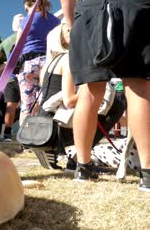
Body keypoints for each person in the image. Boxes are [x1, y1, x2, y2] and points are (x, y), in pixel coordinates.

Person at [58, 0, 150, 191]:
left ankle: (82, 167)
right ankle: (148, 173)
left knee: (88, 92)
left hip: (88, 6)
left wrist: (74, 23)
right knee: (138, 86)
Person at [36, 23, 125, 170]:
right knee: (116, 104)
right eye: (69, 30)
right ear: (61, 40)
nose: (76, 30)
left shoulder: (48, 64)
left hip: (44, 122)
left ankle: (56, 149)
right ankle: (78, 157)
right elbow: (69, 100)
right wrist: (97, 91)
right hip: (57, 125)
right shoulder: (68, 59)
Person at [16, 0, 61, 125]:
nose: (26, 11)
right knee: (45, 102)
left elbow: (18, 45)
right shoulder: (56, 21)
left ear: (31, 4)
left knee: (27, 104)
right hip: (49, 63)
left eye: (26, 8)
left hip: (28, 64)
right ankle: (43, 136)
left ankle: (25, 140)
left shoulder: (25, 21)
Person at [0, 14, 24, 141]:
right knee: (29, 105)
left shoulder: (6, 41)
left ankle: (7, 134)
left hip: (9, 78)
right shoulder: (28, 37)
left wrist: (1, 75)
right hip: (26, 74)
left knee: (11, 106)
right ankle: (26, 134)